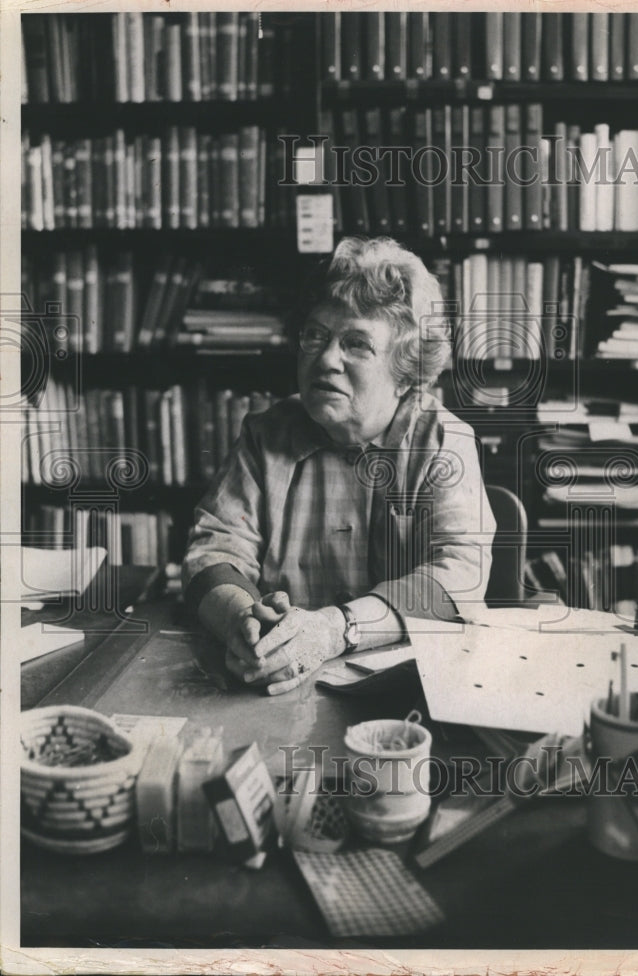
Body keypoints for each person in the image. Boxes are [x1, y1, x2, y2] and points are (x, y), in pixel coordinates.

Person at [182, 237, 496, 694]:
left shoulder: (442, 442)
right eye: (315, 336)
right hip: (274, 681)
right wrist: (244, 623)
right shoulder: (265, 434)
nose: (326, 359)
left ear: (404, 372)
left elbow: (459, 575)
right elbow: (213, 550)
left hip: (404, 689)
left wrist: (336, 628)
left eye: (356, 344)